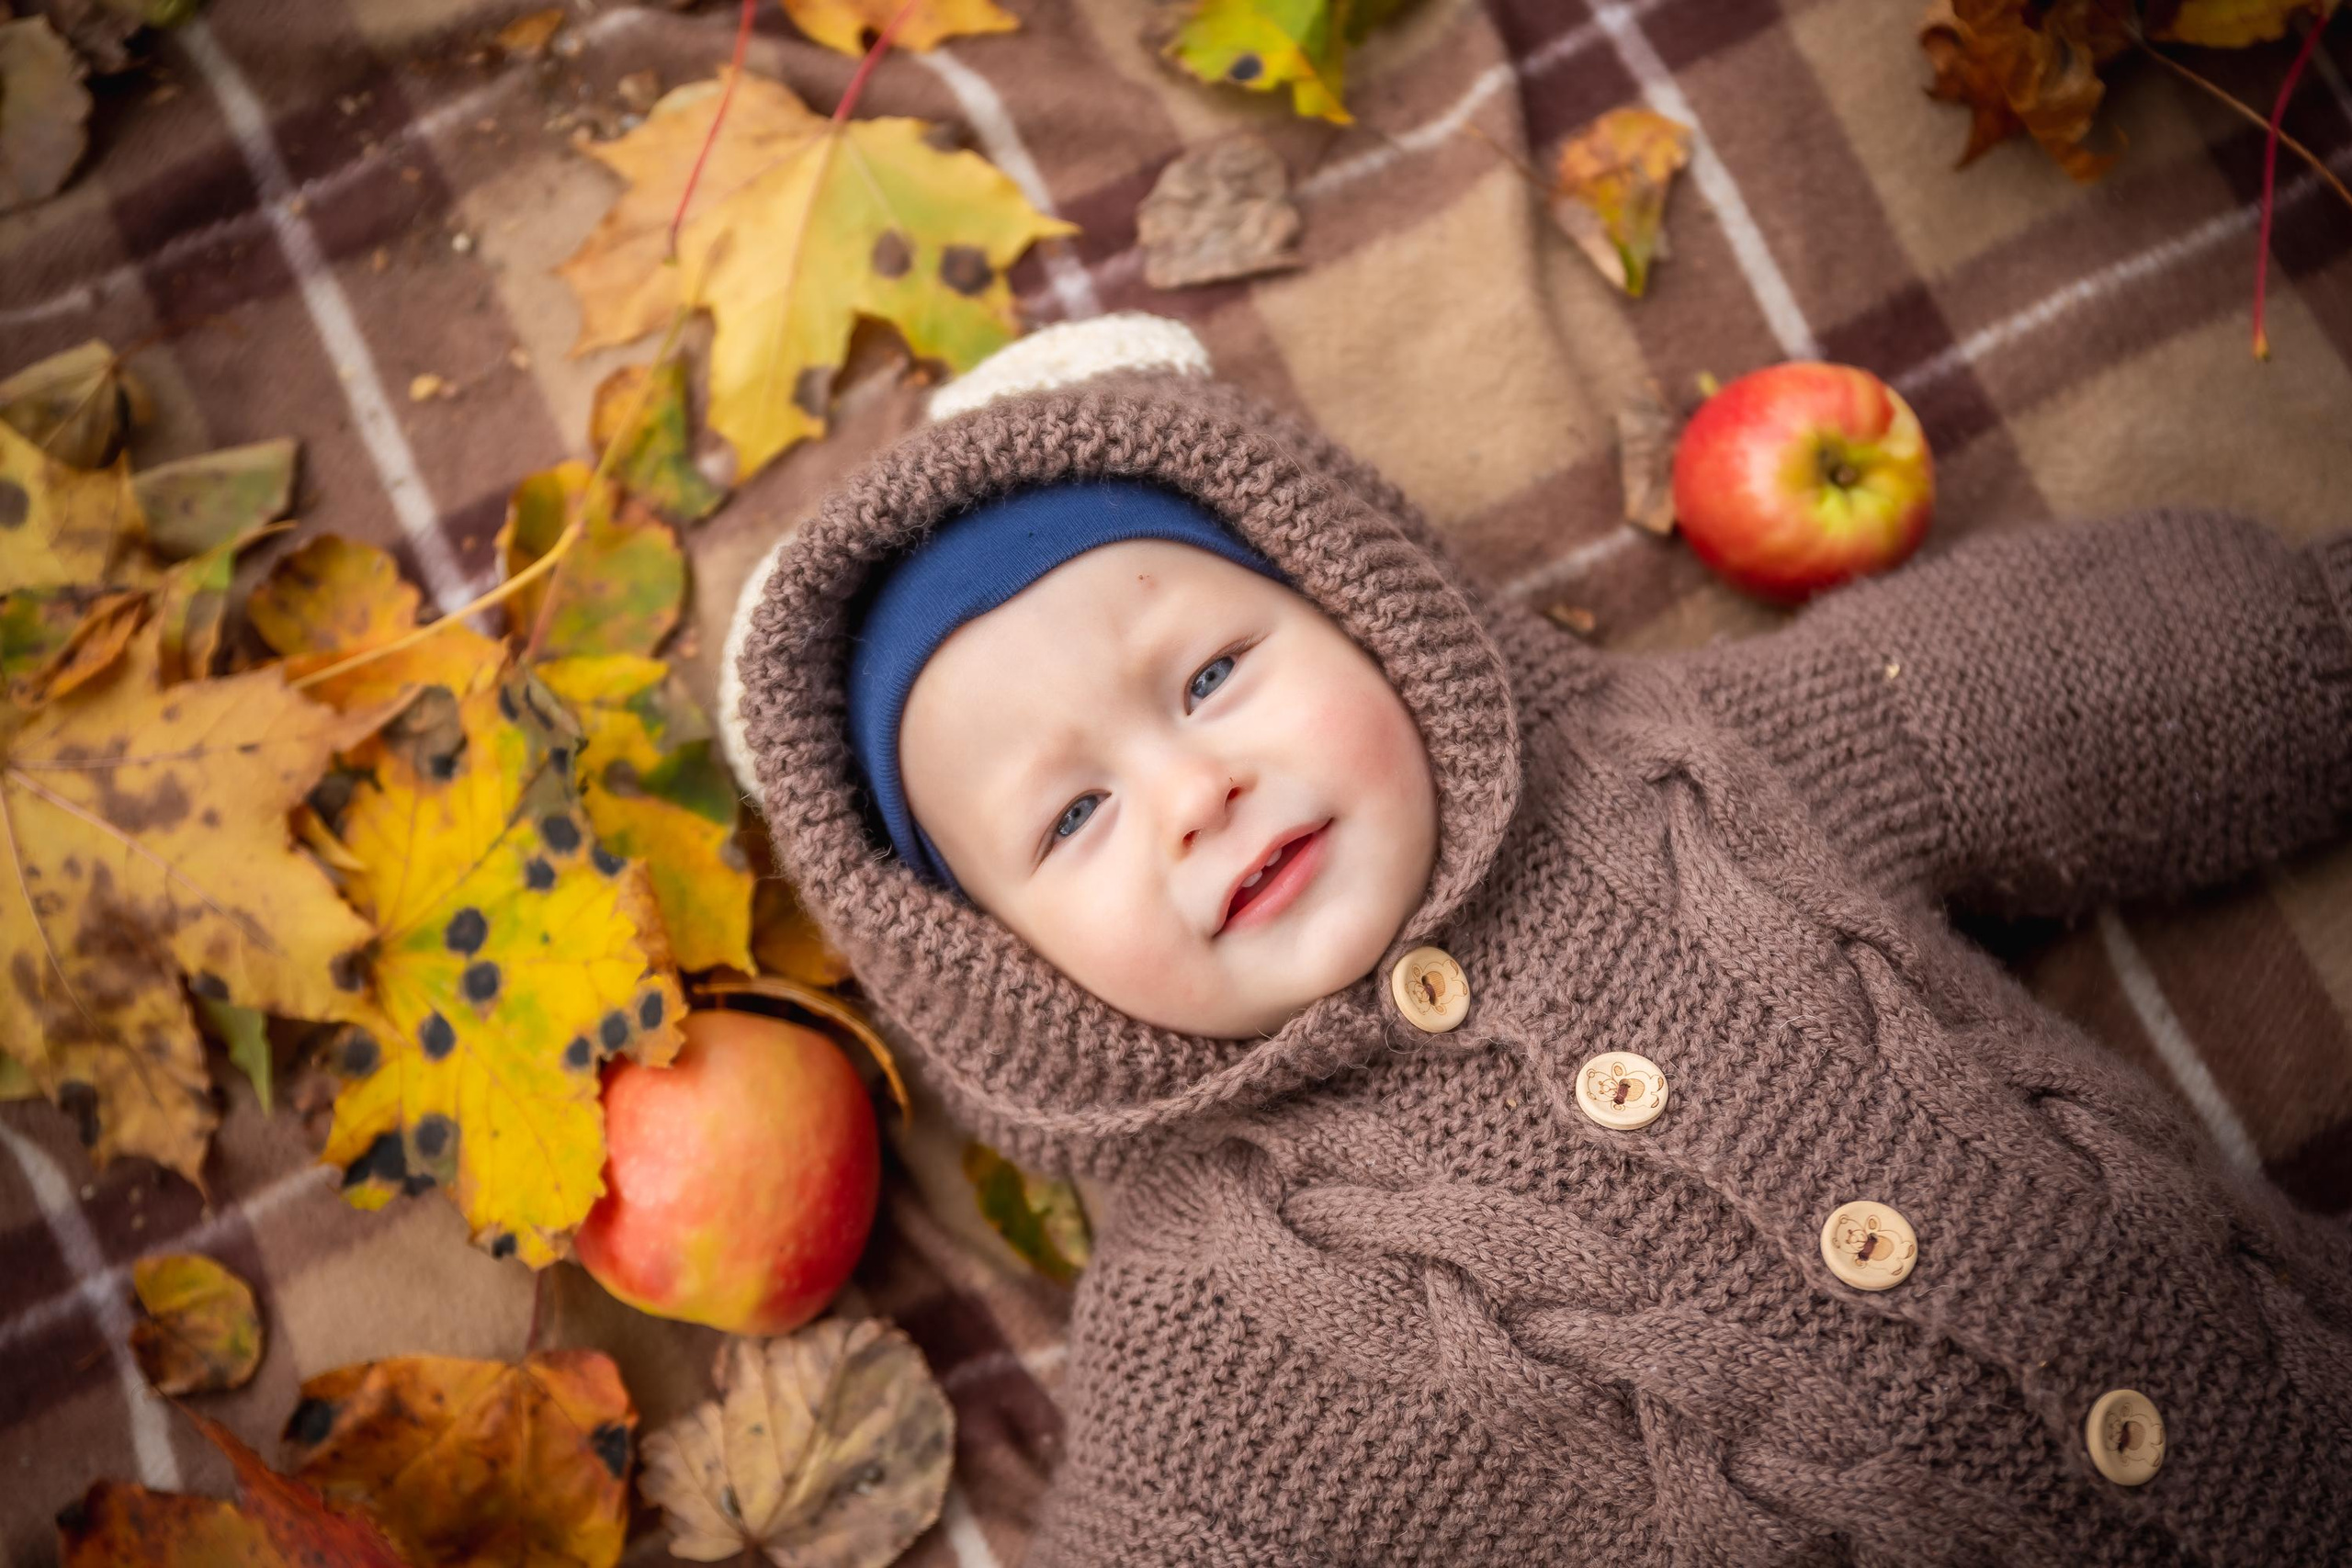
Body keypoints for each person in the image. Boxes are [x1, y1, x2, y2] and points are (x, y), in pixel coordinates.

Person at [721, 312, 2352, 1566]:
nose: (1193, 793)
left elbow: (2061, 688)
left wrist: (2317, 645)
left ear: (1366, 610)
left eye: (1212, 676)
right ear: (999, 968)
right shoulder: (1217, 1331)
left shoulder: (1679, 778)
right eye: (1069, 821)